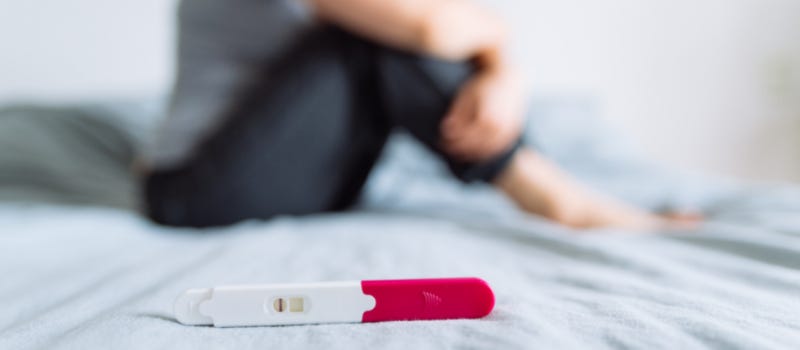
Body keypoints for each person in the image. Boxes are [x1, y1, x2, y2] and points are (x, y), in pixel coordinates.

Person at [141, 0, 694, 229]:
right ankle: (555, 196)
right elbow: (427, 31)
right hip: (197, 190)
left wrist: (505, 72)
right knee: (362, 41)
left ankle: (551, 186)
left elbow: (453, 20)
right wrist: (495, 48)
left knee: (383, 37)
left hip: (306, 184)